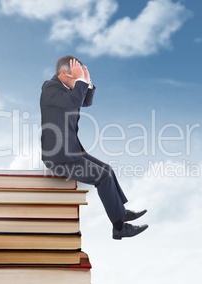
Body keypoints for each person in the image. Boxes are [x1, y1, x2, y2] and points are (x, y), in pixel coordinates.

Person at [40, 55, 148, 240]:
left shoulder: (66, 89)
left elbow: (85, 101)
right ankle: (119, 227)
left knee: (107, 169)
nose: (79, 81)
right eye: (76, 77)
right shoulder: (50, 88)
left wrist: (87, 81)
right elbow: (75, 101)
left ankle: (120, 211)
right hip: (59, 157)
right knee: (102, 177)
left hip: (72, 150)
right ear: (65, 74)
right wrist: (81, 81)